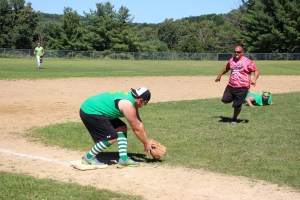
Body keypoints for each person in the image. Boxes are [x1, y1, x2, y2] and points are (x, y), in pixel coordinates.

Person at [80, 87, 153, 168]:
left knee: (122, 128)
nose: (144, 105)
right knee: (111, 138)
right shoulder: (128, 105)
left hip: (97, 109)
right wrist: (146, 143)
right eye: (145, 103)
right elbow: (136, 128)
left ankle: (123, 160)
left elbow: (139, 123)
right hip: (90, 111)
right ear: (141, 100)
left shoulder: (133, 100)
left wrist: (147, 140)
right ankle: (88, 158)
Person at [215, 45, 259, 124]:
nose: (236, 53)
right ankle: (239, 100)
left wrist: (254, 79)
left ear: (242, 52)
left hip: (243, 87)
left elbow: (256, 70)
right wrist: (219, 75)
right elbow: (226, 68)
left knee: (237, 105)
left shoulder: (247, 62)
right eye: (235, 52)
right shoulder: (231, 60)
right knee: (225, 100)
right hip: (231, 85)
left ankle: (234, 118)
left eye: (238, 52)